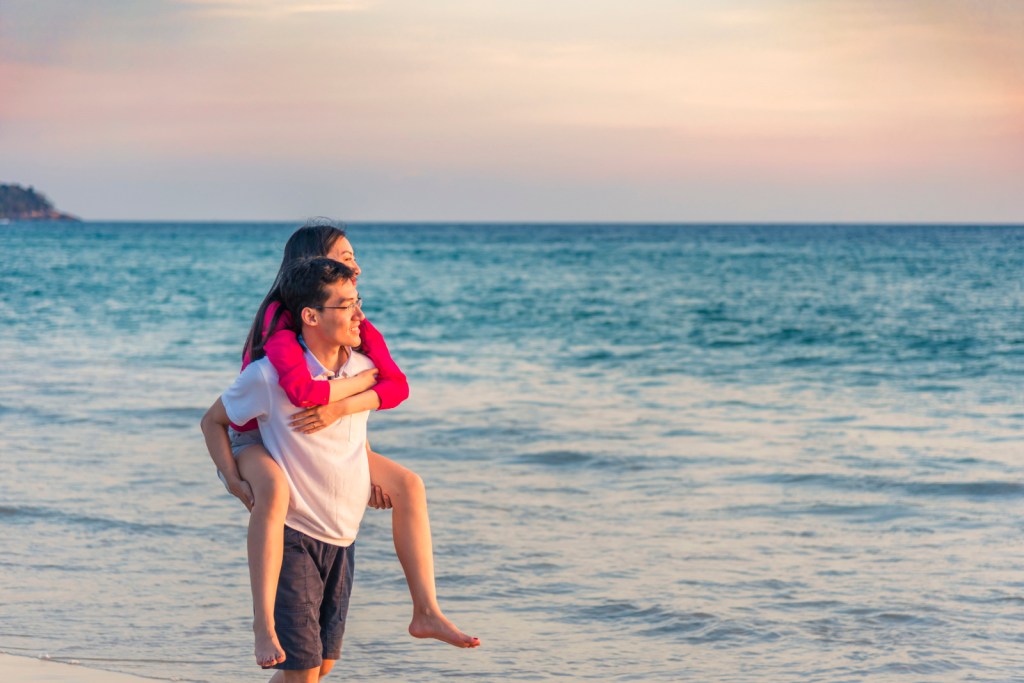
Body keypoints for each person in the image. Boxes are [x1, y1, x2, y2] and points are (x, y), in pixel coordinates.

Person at [202, 222, 478, 670]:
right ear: (311, 266)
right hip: (252, 431)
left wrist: (358, 457)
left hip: (315, 436)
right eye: (346, 260)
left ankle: (426, 610)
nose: (357, 268)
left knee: (409, 486)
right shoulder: (280, 328)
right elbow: (303, 394)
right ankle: (263, 625)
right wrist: (233, 476)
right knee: (273, 493)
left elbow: (392, 386)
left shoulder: (350, 325)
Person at [203, 257, 374, 680]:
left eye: (358, 301)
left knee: (323, 665)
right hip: (296, 536)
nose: (359, 314)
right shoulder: (268, 376)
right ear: (311, 316)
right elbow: (213, 421)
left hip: (344, 538)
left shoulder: (362, 368)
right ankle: (261, 626)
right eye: (346, 305)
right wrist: (234, 479)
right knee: (303, 671)